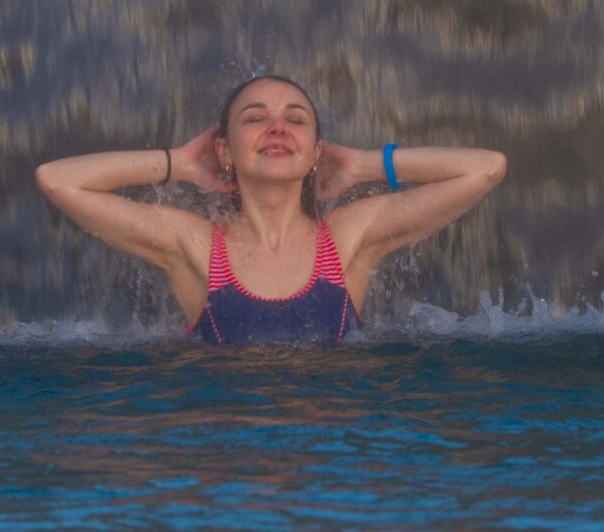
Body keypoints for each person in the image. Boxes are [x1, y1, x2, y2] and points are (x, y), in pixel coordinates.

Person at [34, 75, 507, 344]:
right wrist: (176, 164)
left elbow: (485, 169)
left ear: (316, 152)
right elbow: (57, 180)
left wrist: (365, 165)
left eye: (295, 120)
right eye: (255, 119)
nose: (277, 128)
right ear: (224, 152)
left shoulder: (346, 239)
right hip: (230, 462)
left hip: (327, 464)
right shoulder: (195, 245)